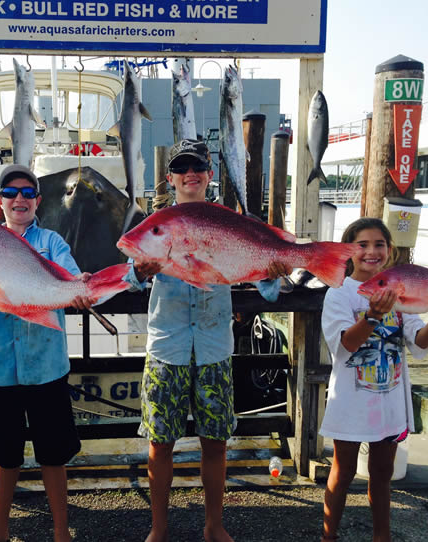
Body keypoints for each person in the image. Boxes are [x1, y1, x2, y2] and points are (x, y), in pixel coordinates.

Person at [124, 139, 291, 542]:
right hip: (167, 349)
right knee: (160, 444)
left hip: (215, 348)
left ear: (209, 174)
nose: (189, 174)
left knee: (215, 443)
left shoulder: (227, 220)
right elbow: (129, 277)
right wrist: (141, 272)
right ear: (171, 178)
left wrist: (277, 267)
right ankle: (158, 528)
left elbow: (268, 289)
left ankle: (214, 525)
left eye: (196, 166)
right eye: (181, 168)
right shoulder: (155, 224)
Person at [0, 164, 93, 542]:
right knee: (5, 454)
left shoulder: (53, 243)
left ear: (38, 201)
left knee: (53, 454)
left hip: (46, 367)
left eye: (28, 193)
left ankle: (61, 530)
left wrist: (79, 288)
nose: (19, 199)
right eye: (11, 193)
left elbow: (71, 282)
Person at [319, 217, 428, 542]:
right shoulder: (339, 294)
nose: (371, 251)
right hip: (350, 402)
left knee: (382, 475)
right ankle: (328, 536)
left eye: (379, 244)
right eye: (362, 245)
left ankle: (383, 537)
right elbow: (346, 344)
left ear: (390, 250)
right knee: (343, 472)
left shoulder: (399, 289)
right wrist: (373, 316)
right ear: (349, 252)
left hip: (390, 402)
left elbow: (419, 341)